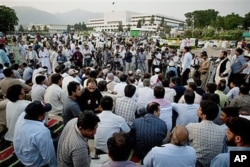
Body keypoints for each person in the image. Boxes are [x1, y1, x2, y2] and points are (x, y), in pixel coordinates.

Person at [13, 101, 56, 167]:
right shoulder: (42, 132)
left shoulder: (22, 116)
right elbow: (49, 157)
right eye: (44, 113)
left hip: (23, 158)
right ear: (40, 116)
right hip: (35, 163)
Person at [186, 100, 225, 167]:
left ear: (204, 115)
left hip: (196, 163)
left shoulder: (191, 126)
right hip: (215, 163)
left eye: (200, 109)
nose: (197, 110)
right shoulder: (222, 130)